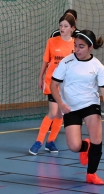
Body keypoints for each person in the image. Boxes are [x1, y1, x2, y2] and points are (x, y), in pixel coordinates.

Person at [50, 30, 104, 185]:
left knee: (97, 139)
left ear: (90, 47)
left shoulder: (97, 66)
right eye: (75, 45)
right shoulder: (66, 62)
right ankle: (86, 146)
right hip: (70, 108)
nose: (77, 50)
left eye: (81, 47)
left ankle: (91, 174)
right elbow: (53, 85)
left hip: (90, 104)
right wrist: (61, 104)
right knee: (74, 146)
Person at [29, 14, 76, 155]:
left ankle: (51, 142)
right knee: (53, 112)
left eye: (66, 26)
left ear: (72, 28)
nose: (62, 28)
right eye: (60, 25)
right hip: (52, 82)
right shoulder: (51, 42)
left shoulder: (75, 44)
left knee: (60, 115)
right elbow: (45, 61)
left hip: (66, 85)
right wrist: (40, 77)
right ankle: (38, 142)